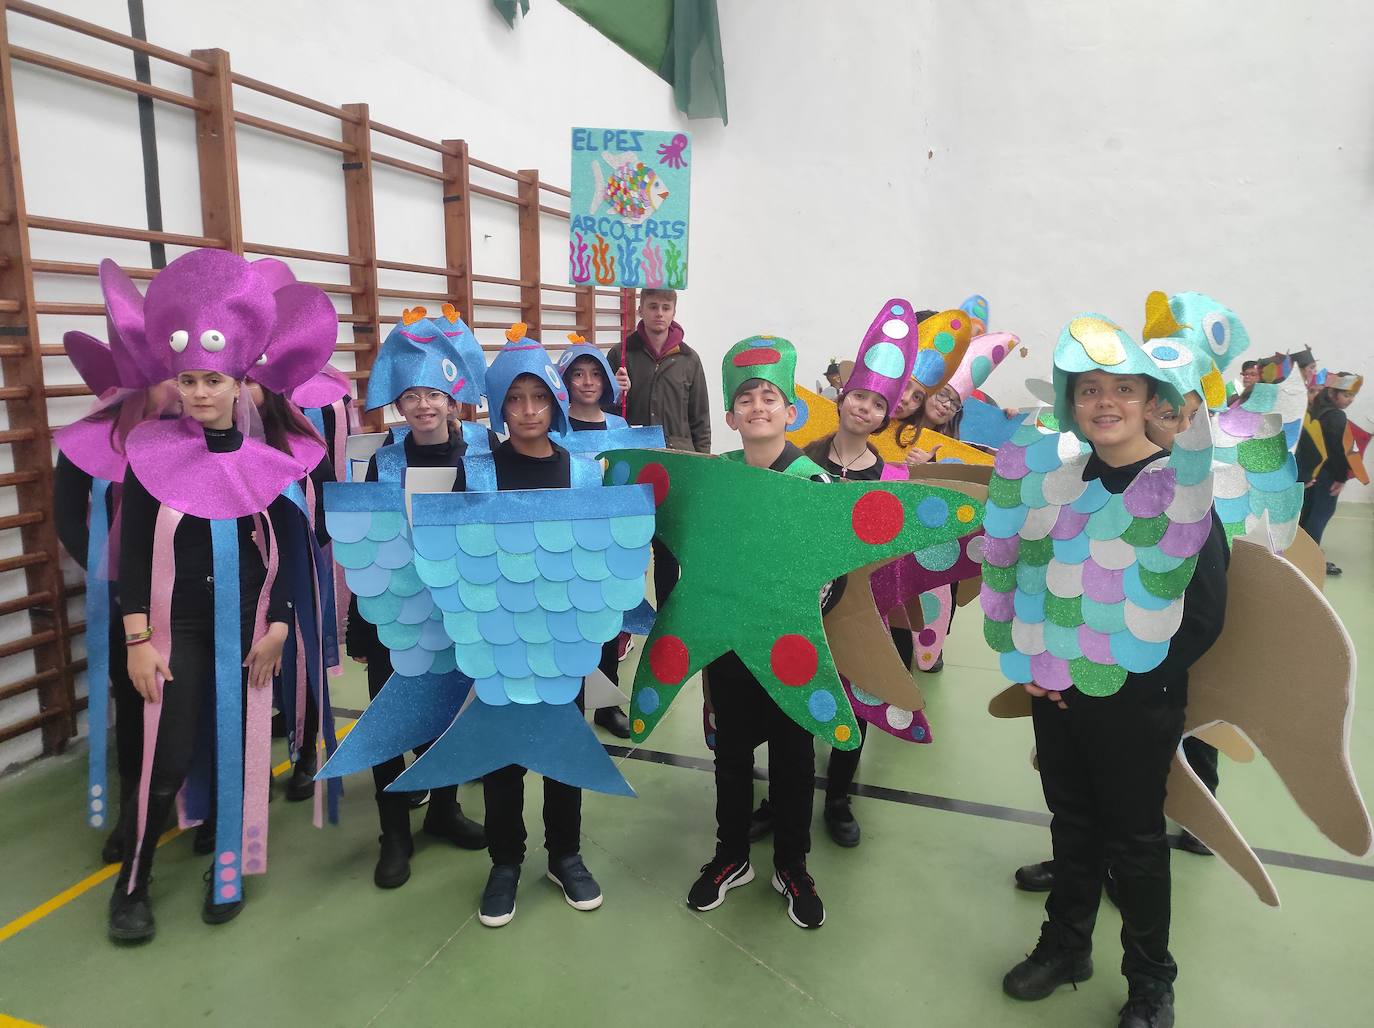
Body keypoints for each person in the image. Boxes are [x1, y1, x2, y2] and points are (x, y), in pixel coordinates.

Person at [999, 319, 1230, 1028]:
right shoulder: (1057, 487)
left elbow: (1203, 618)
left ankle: (1151, 982)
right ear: (1072, 403)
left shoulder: (1180, 492)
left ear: (1146, 401)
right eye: (1091, 390)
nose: (1106, 403)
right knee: (1072, 824)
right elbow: (1028, 579)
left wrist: (1117, 681)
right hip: (1058, 694)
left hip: (1136, 703)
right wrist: (1036, 662)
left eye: (1122, 390)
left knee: (1133, 843)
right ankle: (1067, 944)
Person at [106, 249, 335, 942]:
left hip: (246, 628)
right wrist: (138, 642)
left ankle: (228, 867)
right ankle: (133, 882)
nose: (200, 393)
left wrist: (278, 627)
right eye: (190, 381)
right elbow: (136, 556)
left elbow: (288, 556)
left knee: (241, 748)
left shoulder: (271, 466)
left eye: (213, 380)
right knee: (166, 755)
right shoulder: (150, 457)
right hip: (177, 635)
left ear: (239, 383)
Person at [686, 335, 840, 930]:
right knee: (730, 758)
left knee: (795, 760)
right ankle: (731, 857)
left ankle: (792, 865)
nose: (757, 407)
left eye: (769, 396)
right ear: (730, 416)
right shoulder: (713, 482)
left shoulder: (812, 483)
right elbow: (690, 561)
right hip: (728, 651)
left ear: (790, 411)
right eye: (745, 398)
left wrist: (794, 618)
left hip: (794, 650)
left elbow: (833, 572)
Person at [346, 308, 491, 889]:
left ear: (455, 399)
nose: (424, 405)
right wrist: (359, 627)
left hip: (456, 613)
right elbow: (361, 549)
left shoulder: (480, 461)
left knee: (450, 715)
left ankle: (444, 809)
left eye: (435, 393)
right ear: (399, 405)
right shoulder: (380, 463)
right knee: (389, 718)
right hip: (392, 614)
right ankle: (393, 834)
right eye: (412, 395)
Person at [477, 328, 604, 927]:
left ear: (555, 403)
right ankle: (505, 862)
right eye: (515, 399)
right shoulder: (479, 472)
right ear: (500, 407)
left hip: (563, 637)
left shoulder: (579, 472)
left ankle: (565, 853)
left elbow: (600, 553)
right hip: (497, 638)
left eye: (539, 398)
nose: (528, 411)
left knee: (561, 745)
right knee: (502, 752)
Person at [607, 288, 710, 615]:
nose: (659, 313)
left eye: (666, 307)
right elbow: (603, 413)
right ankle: (625, 625)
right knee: (630, 546)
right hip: (633, 464)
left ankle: (667, 619)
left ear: (674, 310)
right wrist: (615, 389)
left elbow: (700, 418)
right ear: (640, 308)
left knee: (668, 549)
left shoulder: (689, 359)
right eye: (653, 306)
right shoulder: (620, 355)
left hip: (676, 467)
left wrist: (701, 467)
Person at [555, 339, 636, 739]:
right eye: (577, 373)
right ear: (565, 379)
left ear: (607, 379)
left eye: (594, 373)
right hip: (565, 544)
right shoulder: (554, 428)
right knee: (569, 627)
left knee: (608, 624)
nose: (587, 382)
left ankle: (606, 705)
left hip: (610, 544)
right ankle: (567, 703)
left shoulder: (620, 427)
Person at [1297, 372, 1362, 574]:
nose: (1350, 401)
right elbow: (1339, 452)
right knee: (1321, 513)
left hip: (1310, 471)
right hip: (1327, 474)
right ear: (1333, 392)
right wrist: (1341, 478)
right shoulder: (1336, 416)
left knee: (1306, 513)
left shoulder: (1315, 406)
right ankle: (1310, 562)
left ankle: (1299, 556)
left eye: (1353, 396)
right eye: (1346, 396)